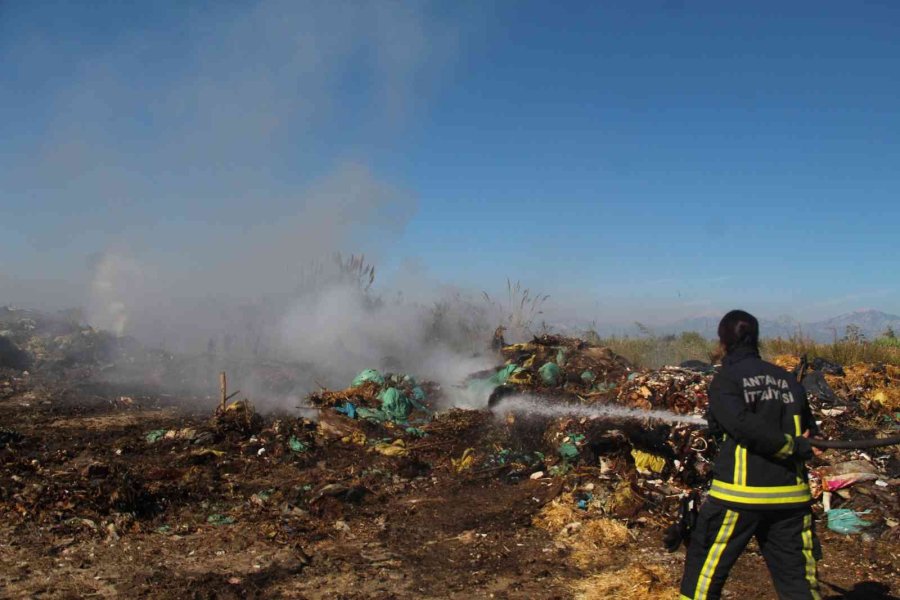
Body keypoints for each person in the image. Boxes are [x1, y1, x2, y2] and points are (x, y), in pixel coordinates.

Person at [679, 310, 821, 600]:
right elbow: (809, 433)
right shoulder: (789, 381)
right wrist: (795, 445)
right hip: (791, 500)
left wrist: (788, 445)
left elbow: (740, 426)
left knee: (703, 577)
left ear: (724, 342)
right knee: (799, 584)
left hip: (739, 497)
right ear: (756, 339)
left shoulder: (727, 380)